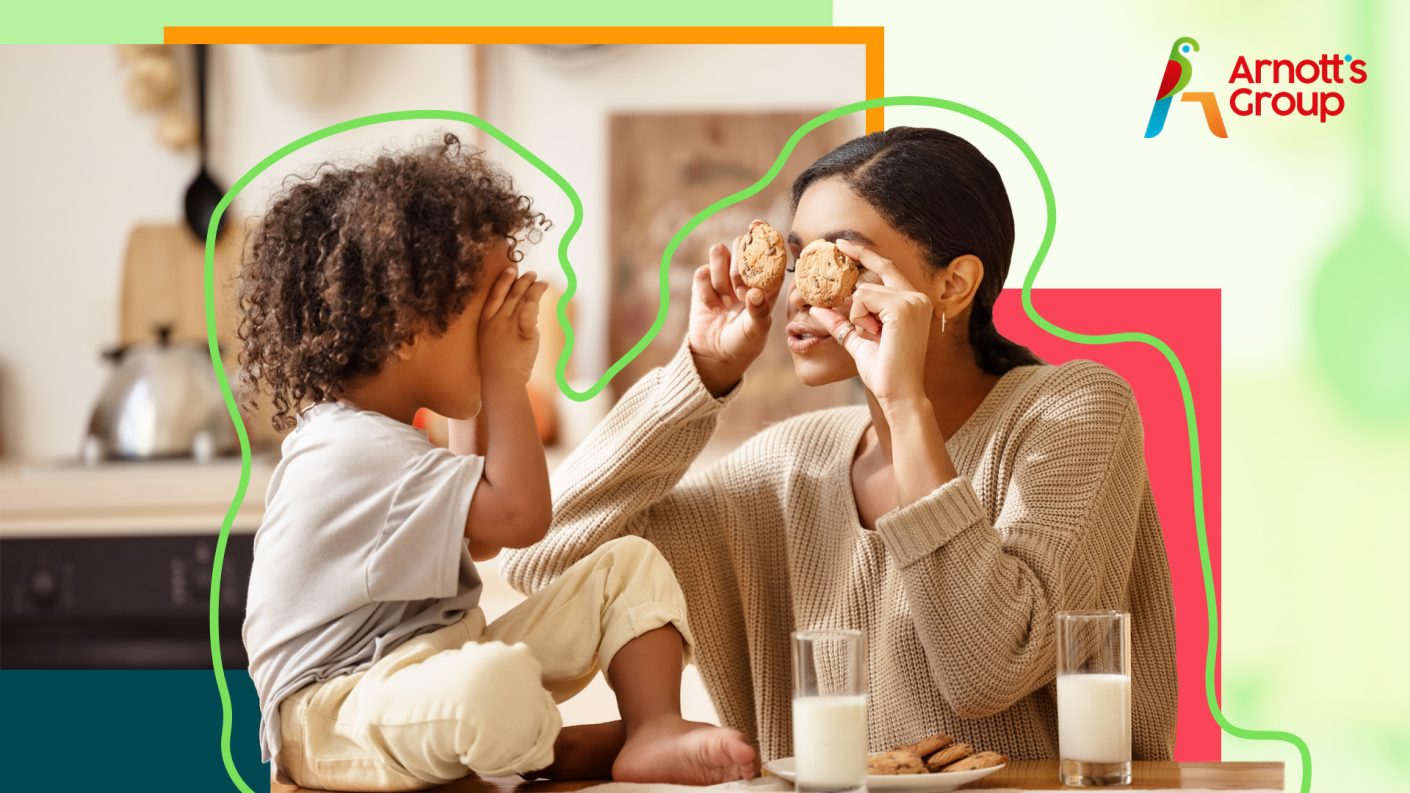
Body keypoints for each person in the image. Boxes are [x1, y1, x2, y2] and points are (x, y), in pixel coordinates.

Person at [504, 127, 1179, 763]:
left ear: (953, 284)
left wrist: (904, 404)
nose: (801, 292)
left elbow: (988, 671)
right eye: (798, 259)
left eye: (841, 261)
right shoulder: (791, 463)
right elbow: (543, 556)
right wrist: (701, 372)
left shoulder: (1072, 410)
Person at [237, 134, 757, 791]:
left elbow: (478, 538)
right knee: (493, 681)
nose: (506, 328)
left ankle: (652, 726)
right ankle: (552, 751)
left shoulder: (378, 439)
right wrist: (505, 378)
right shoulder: (353, 452)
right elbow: (518, 518)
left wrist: (480, 393)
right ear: (407, 328)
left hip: (428, 668)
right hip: (335, 714)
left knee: (625, 566)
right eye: (491, 310)